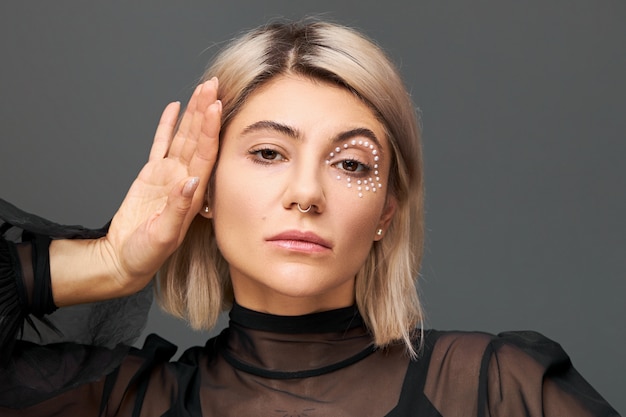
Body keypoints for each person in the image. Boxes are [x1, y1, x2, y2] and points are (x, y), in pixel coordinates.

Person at [0, 20, 619, 417]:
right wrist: (108, 263)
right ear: (205, 191)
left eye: (350, 165)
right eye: (269, 153)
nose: (307, 193)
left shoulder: (497, 390)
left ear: (386, 211)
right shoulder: (120, 403)